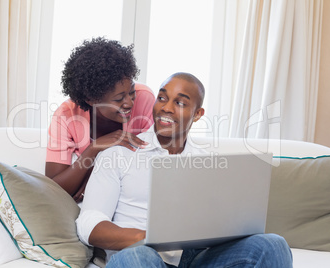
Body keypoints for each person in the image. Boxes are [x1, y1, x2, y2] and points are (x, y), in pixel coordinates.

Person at [76, 72, 293, 267]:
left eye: (180, 103)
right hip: (140, 255)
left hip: (196, 259)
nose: (166, 108)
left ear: (198, 114)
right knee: (137, 257)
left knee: (273, 244)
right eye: (162, 98)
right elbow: (89, 223)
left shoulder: (209, 163)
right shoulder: (118, 155)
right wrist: (150, 238)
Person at [45, 37, 155, 202]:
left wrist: (93, 172)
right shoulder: (66, 115)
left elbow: (153, 163)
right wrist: (94, 149)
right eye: (118, 99)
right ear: (91, 99)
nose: (130, 103)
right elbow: (53, 188)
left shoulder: (145, 98)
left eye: (131, 92)